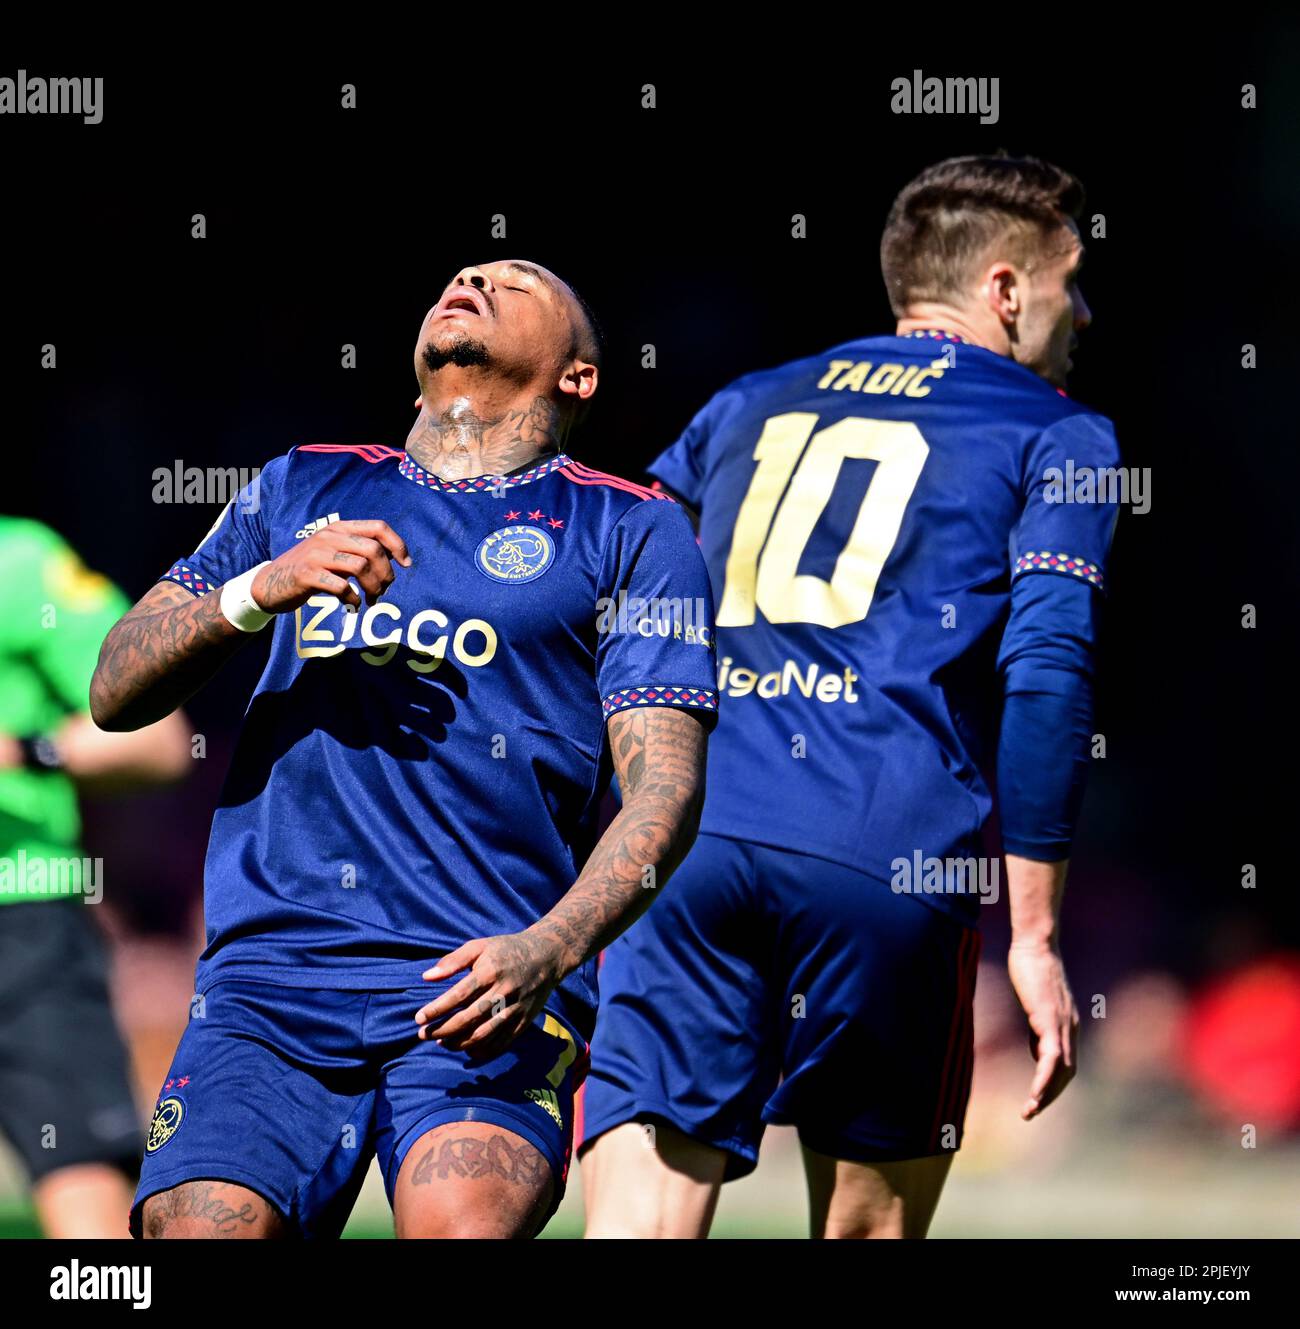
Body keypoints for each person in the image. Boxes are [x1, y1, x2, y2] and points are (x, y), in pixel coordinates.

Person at [90, 260, 716, 1239]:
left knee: (459, 1223)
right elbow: (113, 688)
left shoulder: (630, 526)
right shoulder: (301, 483)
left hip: (481, 981)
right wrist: (259, 589)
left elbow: (665, 792)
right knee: (201, 1230)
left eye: (516, 282)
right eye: (465, 272)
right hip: (271, 984)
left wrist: (546, 952)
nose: (471, 277)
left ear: (577, 376)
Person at [580, 155, 1121, 1238]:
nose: (1084, 314)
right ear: (1006, 291)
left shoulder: (745, 401)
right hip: (886, 851)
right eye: (1072, 286)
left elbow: (610, 586)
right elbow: (1049, 674)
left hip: (683, 841)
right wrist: (1035, 935)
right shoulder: (1063, 433)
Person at [0, 517, 191, 1237]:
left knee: (89, 1214)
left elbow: (159, 740)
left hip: (23, 918)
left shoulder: (19, 563)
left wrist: (27, 749)